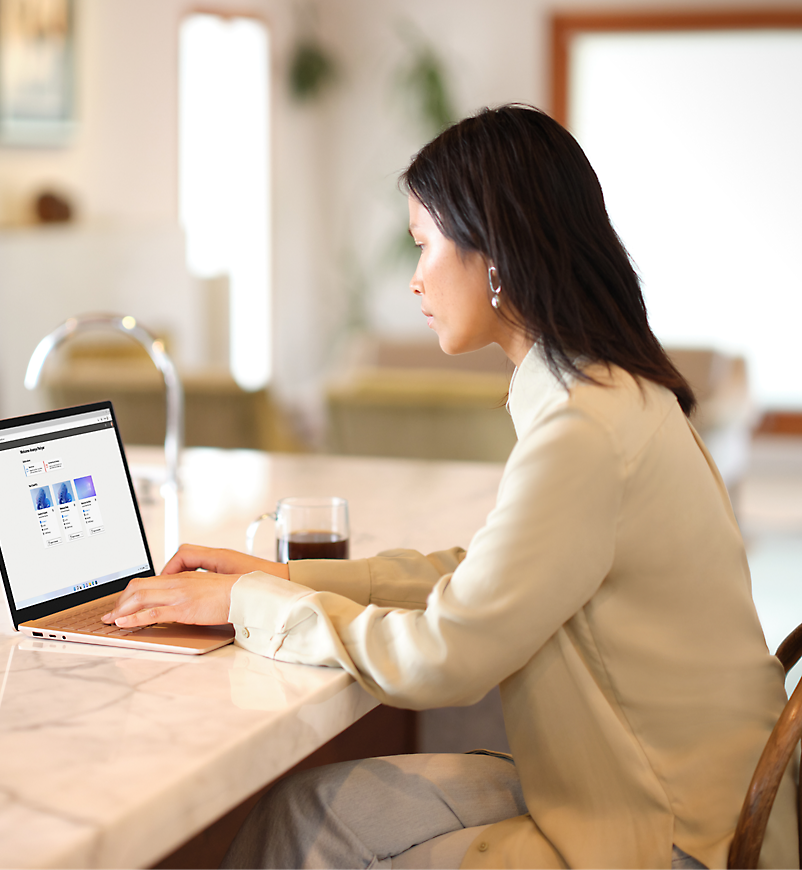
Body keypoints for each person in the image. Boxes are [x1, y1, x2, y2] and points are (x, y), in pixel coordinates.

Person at [102, 105, 797, 869]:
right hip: (663, 791)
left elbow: (448, 655)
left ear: (492, 254)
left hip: (667, 831)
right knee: (309, 811)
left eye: (425, 244)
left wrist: (248, 604)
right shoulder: (607, 393)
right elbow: (480, 577)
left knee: (315, 837)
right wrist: (284, 576)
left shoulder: (584, 431)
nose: (414, 278)